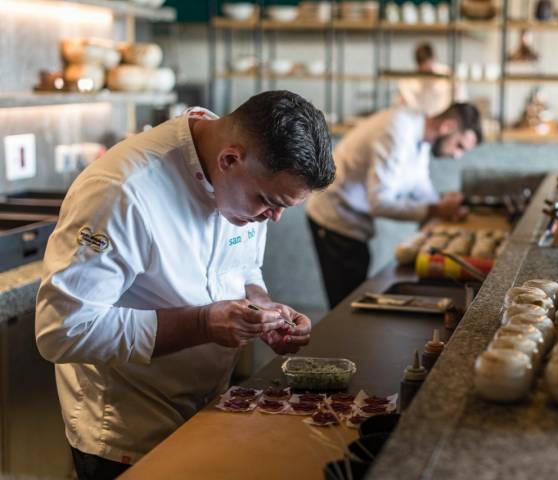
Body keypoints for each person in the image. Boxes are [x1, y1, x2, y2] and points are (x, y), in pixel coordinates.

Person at [35, 91, 335, 479]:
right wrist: (203, 324)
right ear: (228, 160)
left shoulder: (240, 176)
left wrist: (263, 308)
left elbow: (243, 267)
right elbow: (61, 332)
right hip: (129, 433)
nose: (273, 218)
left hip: (208, 412)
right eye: (267, 202)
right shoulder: (122, 191)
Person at [306, 102, 482, 308]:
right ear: (448, 127)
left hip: (355, 218)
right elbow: (380, 203)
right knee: (344, 305)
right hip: (334, 217)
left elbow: (419, 181)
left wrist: (441, 205)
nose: (457, 155)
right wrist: (436, 209)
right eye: (459, 145)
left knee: (354, 295)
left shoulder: (420, 132)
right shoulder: (395, 131)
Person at [395, 42, 468, 116]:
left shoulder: (447, 74)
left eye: (429, 68)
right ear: (418, 65)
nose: (427, 71)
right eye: (423, 70)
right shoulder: (408, 80)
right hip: (417, 121)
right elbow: (400, 104)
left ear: (434, 58)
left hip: (443, 119)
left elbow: (460, 99)